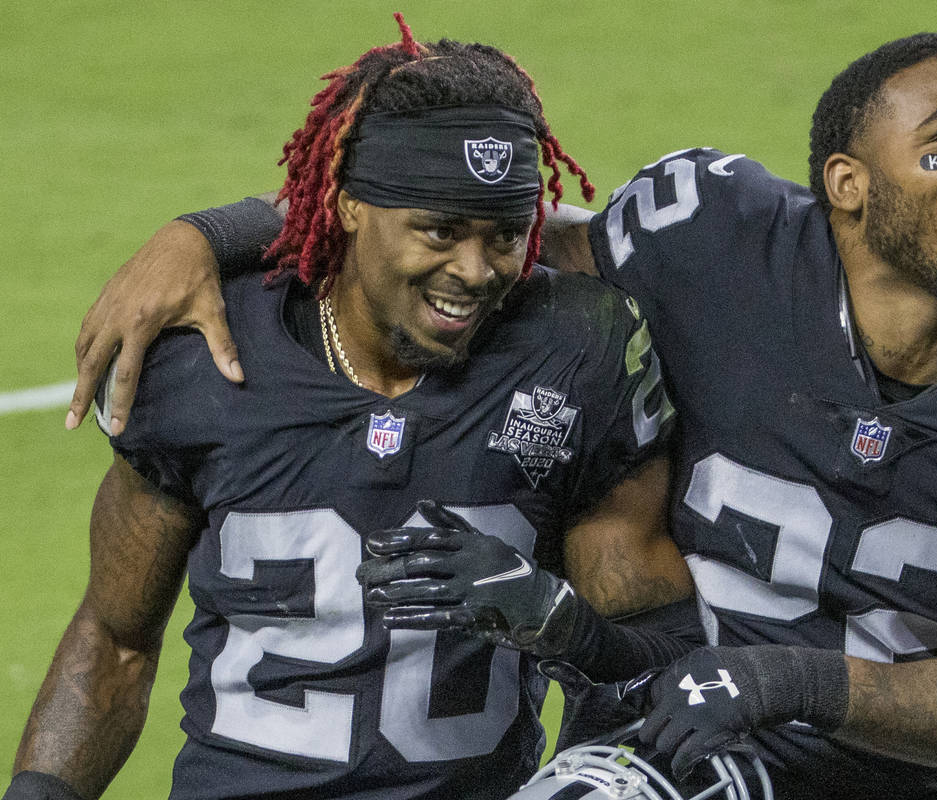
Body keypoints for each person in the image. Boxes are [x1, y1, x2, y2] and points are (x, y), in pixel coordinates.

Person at [64, 32, 937, 800]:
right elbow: (473, 233)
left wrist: (781, 678)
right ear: (848, 183)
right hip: (669, 745)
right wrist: (212, 231)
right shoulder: (710, 242)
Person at [6, 14, 701, 800]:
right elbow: (116, 637)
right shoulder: (208, 352)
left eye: (505, 236)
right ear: (344, 206)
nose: (475, 271)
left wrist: (557, 619)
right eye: (438, 229)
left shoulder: (578, 351)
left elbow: (670, 654)